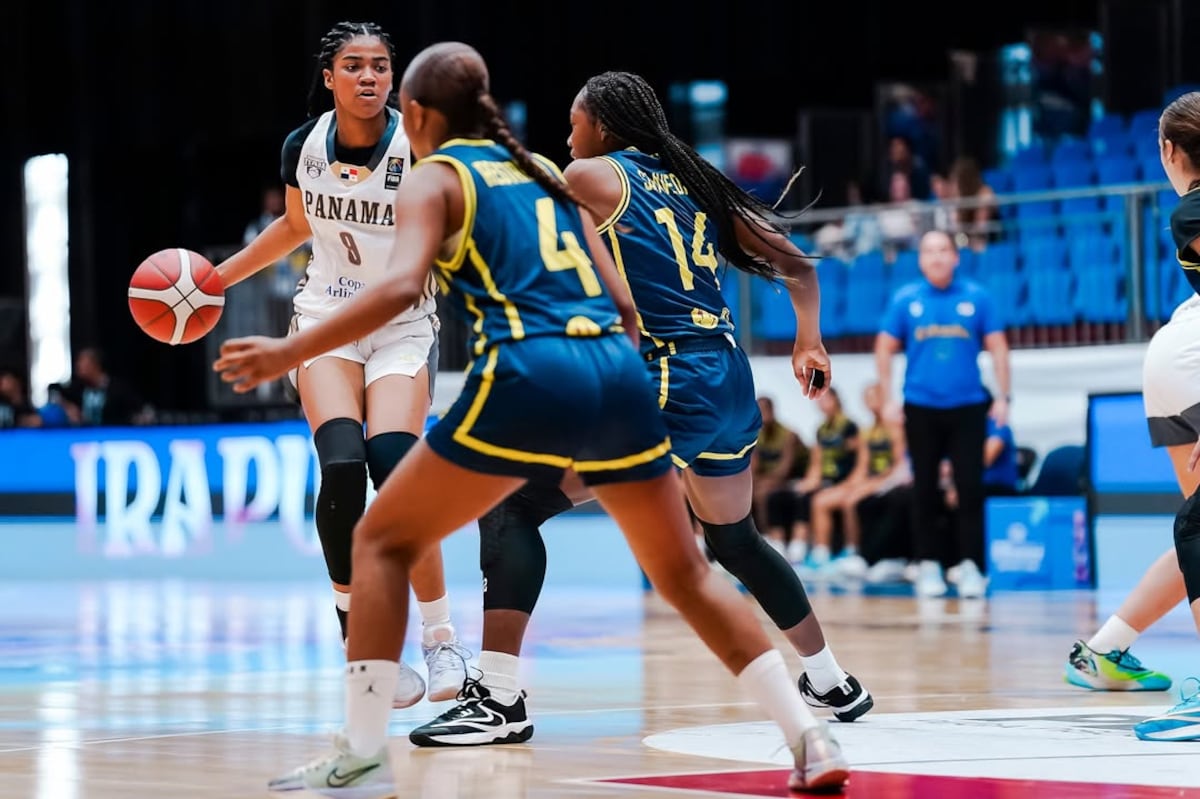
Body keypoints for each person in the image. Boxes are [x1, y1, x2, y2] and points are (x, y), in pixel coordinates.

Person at [215, 43, 849, 793]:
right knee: (687, 569)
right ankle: (808, 737)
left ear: (414, 114)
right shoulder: (544, 171)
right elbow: (620, 305)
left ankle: (362, 743)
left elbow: (395, 292)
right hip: (617, 370)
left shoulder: (434, 177)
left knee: (381, 539)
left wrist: (287, 349)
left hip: (531, 370)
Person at [407, 69, 872, 752]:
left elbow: (518, 204)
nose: (568, 136)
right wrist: (810, 342)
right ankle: (830, 680)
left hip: (668, 377)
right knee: (735, 539)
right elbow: (800, 266)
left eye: (574, 121)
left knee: (514, 505)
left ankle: (500, 697)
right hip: (730, 379)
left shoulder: (595, 175)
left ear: (603, 126)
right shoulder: (694, 180)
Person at [212, 21, 466, 708]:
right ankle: (360, 641)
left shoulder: (421, 147)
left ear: (394, 77)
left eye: (380, 66)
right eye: (353, 65)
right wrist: (216, 279)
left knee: (398, 467)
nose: (369, 77)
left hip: (403, 326)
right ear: (329, 77)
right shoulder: (303, 146)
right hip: (324, 318)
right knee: (345, 466)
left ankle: (441, 639)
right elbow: (295, 228)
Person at [1066, 96, 1200, 734]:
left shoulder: (1192, 208)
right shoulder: (1193, 211)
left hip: (1180, 358)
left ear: (1172, 153)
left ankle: (1106, 648)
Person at [875, 230, 1012, 600]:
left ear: (956, 257)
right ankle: (929, 564)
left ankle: (970, 566)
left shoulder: (977, 297)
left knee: (969, 487)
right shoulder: (906, 300)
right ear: (920, 259)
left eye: (943, 250)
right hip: (920, 406)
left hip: (968, 406)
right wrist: (887, 396)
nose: (936, 257)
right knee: (923, 489)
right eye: (929, 251)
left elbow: (998, 347)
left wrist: (1003, 396)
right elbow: (884, 347)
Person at [809, 383, 906, 578]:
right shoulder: (867, 431)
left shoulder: (896, 429)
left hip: (893, 479)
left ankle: (853, 551)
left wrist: (871, 484)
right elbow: (862, 466)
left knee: (852, 501)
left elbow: (899, 465)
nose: (871, 404)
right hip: (872, 480)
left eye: (874, 398)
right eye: (867, 399)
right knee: (822, 500)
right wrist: (849, 484)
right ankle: (822, 555)